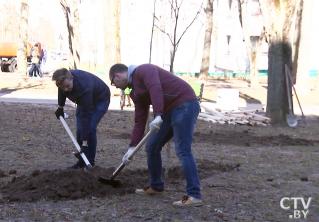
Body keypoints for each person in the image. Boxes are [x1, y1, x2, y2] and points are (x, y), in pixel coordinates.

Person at [109, 63, 202, 207]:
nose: (115, 86)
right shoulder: (133, 91)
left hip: (184, 104)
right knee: (151, 147)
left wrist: (158, 114)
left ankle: (194, 195)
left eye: (113, 83)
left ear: (117, 75)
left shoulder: (145, 70)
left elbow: (155, 88)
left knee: (183, 150)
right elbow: (140, 119)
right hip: (167, 111)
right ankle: (156, 186)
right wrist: (131, 147)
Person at [52, 68, 110, 169]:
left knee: (90, 128)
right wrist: (60, 107)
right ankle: (82, 161)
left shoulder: (85, 87)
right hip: (83, 101)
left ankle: (90, 162)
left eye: (67, 86)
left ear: (72, 79)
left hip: (100, 99)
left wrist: (84, 142)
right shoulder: (63, 82)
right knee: (80, 129)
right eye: (62, 87)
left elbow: (86, 117)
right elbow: (61, 91)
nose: (65, 89)